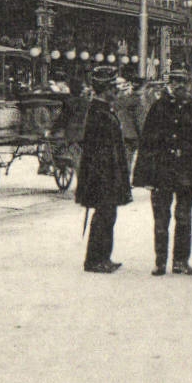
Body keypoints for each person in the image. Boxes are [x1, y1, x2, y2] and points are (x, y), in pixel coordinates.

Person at [132, 79, 192, 274]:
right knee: (161, 218)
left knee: (183, 218)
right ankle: (160, 262)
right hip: (161, 172)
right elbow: (147, 142)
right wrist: (145, 176)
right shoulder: (158, 108)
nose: (180, 87)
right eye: (176, 82)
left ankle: (180, 262)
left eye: (183, 82)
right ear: (170, 85)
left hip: (186, 173)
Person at [75, 85, 132, 272]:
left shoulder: (104, 109)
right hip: (101, 174)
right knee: (103, 215)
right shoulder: (98, 112)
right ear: (104, 89)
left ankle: (104, 257)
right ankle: (94, 260)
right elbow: (97, 149)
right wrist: (103, 174)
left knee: (109, 215)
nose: (115, 92)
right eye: (112, 88)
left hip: (108, 172)